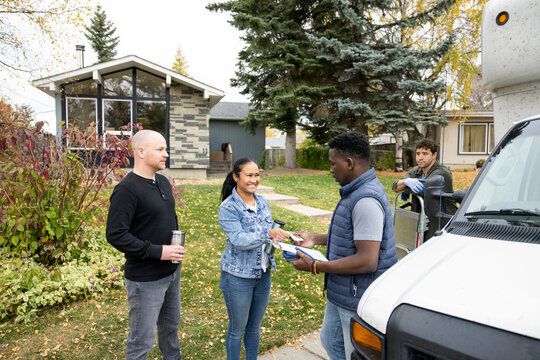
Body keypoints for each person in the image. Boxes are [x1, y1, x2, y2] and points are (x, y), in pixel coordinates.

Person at [288, 132, 398, 360]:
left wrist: (316, 266)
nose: (330, 169)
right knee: (331, 341)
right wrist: (314, 239)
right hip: (342, 292)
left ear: (349, 163)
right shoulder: (355, 192)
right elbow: (351, 234)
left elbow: (368, 260)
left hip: (358, 296)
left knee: (353, 353)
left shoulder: (366, 200)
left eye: (332, 163)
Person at [106, 130, 186, 360]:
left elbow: (167, 217)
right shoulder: (126, 190)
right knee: (141, 342)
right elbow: (116, 235)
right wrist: (159, 251)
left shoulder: (161, 181)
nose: (166, 154)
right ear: (140, 152)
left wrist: (173, 246)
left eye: (165, 149)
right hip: (145, 280)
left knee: (170, 329)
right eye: (160, 149)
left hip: (171, 271)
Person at [218, 158, 289, 360]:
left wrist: (283, 241)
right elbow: (239, 240)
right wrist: (269, 234)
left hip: (263, 274)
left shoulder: (263, 202)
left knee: (254, 329)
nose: (254, 179)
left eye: (257, 174)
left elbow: (268, 236)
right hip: (238, 277)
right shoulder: (229, 207)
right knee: (236, 329)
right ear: (236, 177)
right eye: (249, 175)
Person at [392, 138, 457, 239]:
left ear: (434, 155)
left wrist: (405, 185)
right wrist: (406, 182)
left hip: (442, 222)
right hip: (422, 218)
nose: (420, 158)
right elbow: (395, 187)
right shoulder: (416, 171)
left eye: (425, 154)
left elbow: (423, 189)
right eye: (418, 154)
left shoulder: (442, 172)